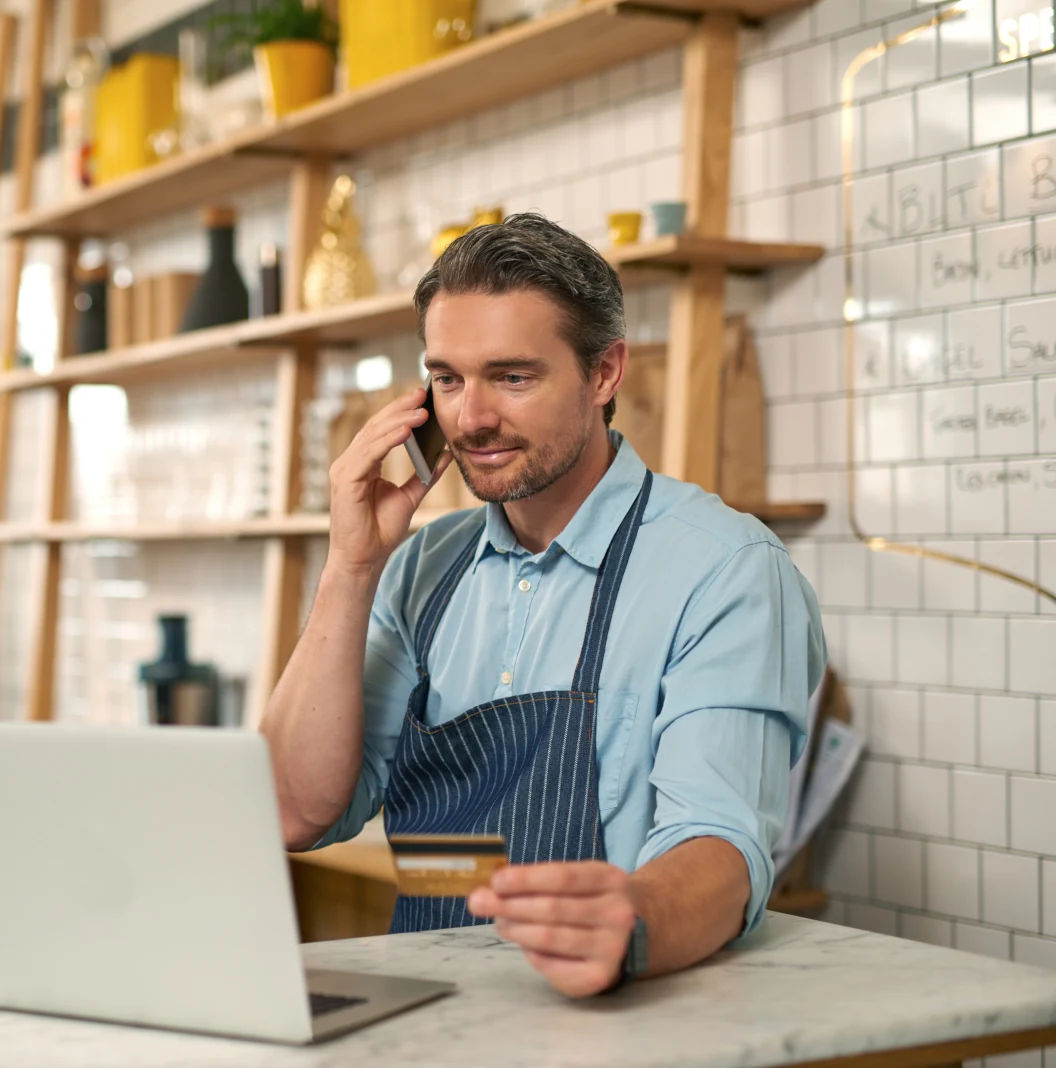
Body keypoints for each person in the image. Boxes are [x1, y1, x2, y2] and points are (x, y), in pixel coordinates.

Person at [260, 213, 825, 998]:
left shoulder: (724, 571)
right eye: (448, 379)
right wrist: (350, 568)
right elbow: (292, 811)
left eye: (513, 377)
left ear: (604, 373)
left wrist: (629, 918)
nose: (471, 418)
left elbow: (722, 849)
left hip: (620, 1021)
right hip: (435, 1018)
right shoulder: (421, 566)